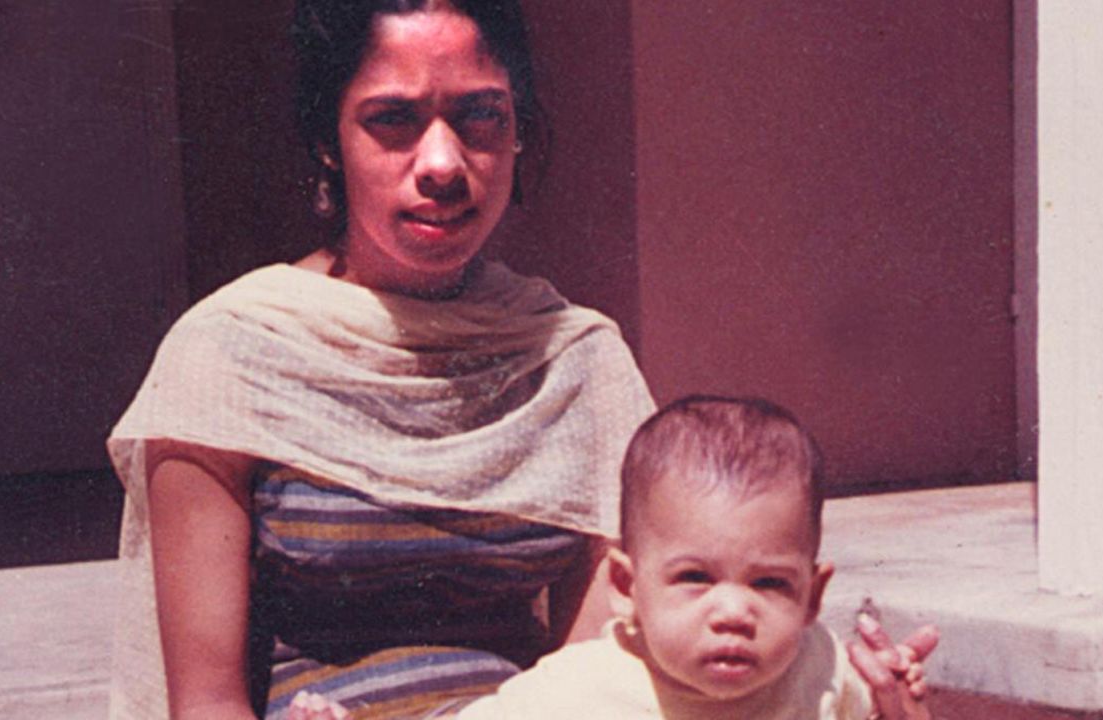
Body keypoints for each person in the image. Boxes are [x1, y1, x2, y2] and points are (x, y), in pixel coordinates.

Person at [107, 1, 655, 718]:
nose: (442, 163)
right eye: (393, 119)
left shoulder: (572, 361)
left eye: (481, 114)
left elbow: (601, 680)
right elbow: (207, 702)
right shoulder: (233, 355)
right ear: (329, 139)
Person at [288, 396, 939, 720]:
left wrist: (897, 708)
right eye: (694, 578)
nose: (734, 611)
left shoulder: (824, 671)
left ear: (813, 598)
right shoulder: (574, 692)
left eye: (770, 583)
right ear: (626, 585)